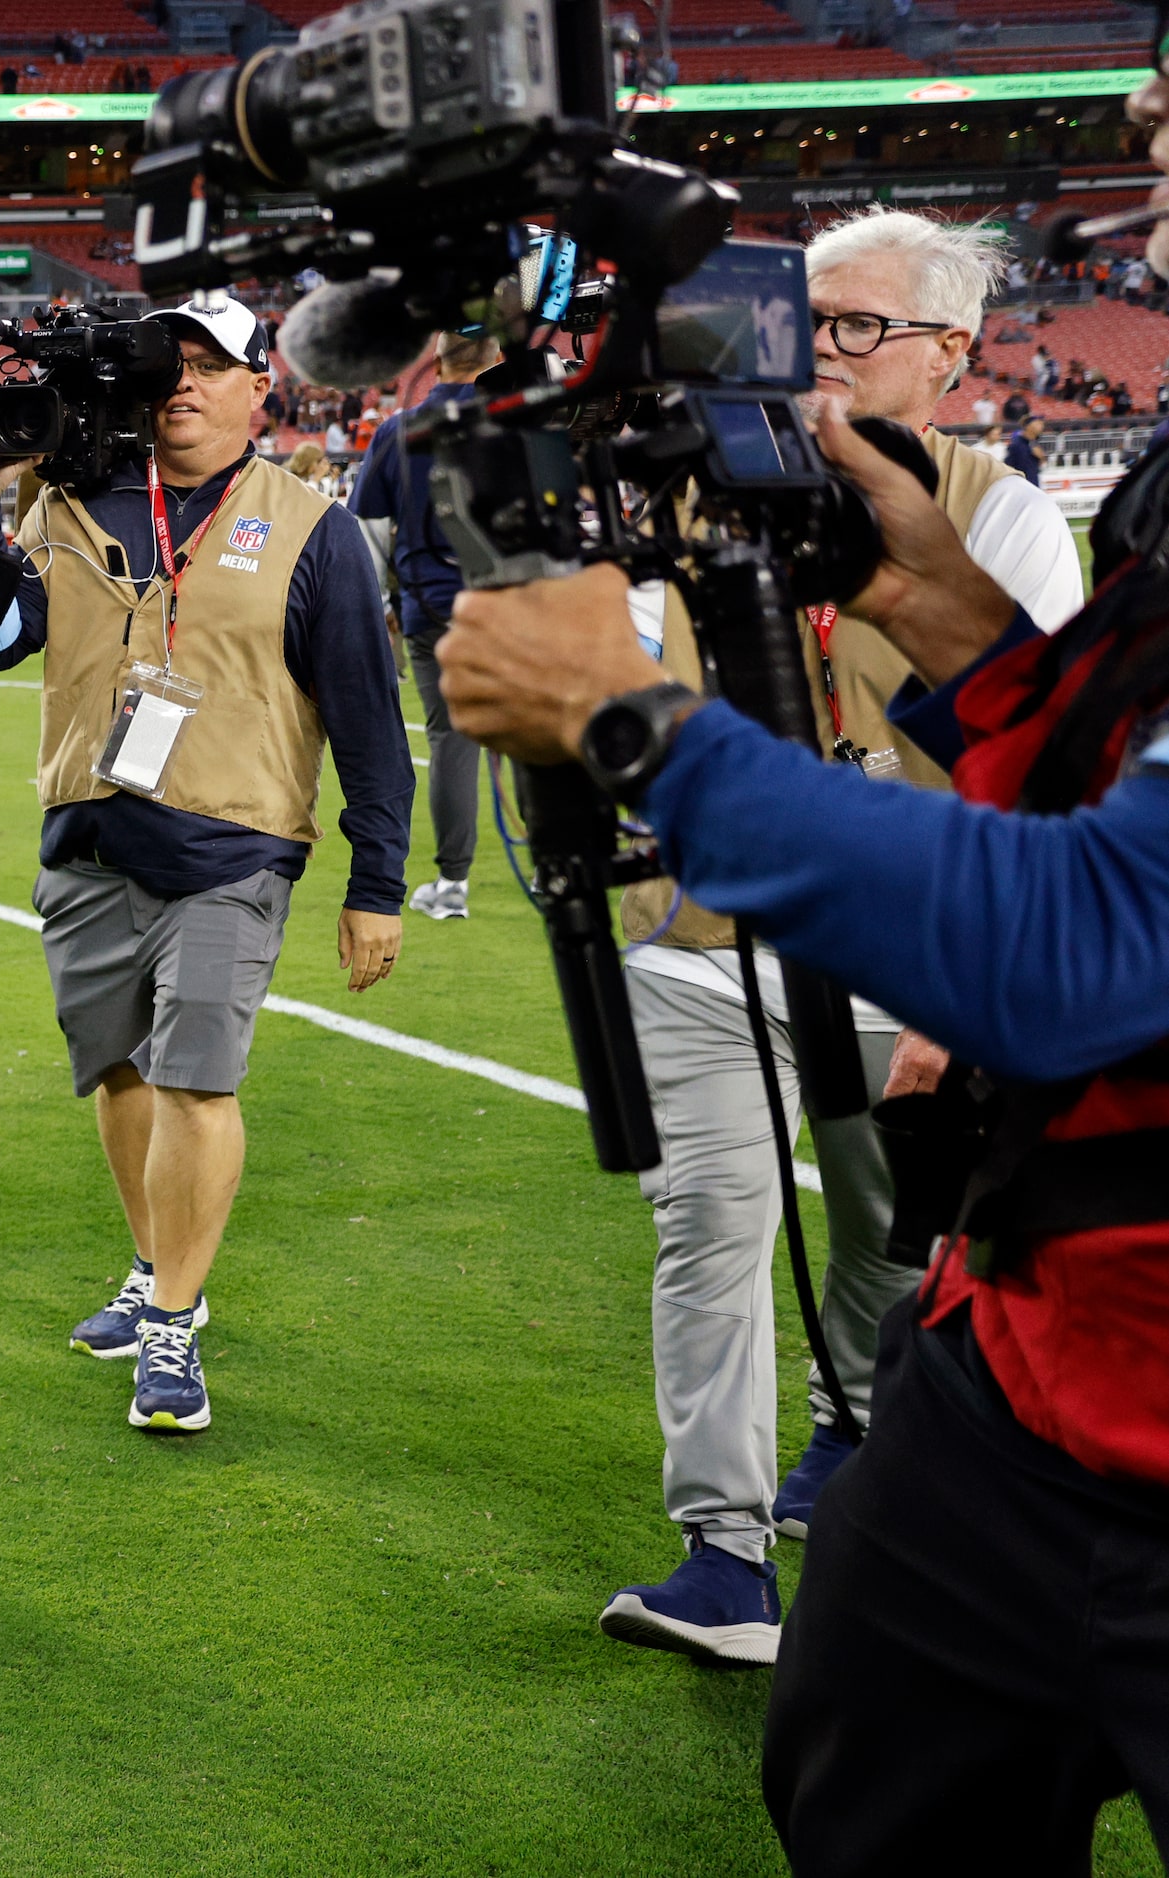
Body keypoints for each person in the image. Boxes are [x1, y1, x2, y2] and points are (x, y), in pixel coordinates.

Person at [437, 351, 1169, 1870]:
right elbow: (1114, 775)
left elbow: (1089, 949)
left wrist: (636, 730)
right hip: (1032, 1372)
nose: (1158, 119)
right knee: (871, 1798)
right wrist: (943, 610)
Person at [585, 207, 1085, 1669]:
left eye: (857, 327)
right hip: (696, 940)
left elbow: (1049, 773)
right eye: (804, 322)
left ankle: (849, 1425)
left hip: (906, 945)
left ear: (949, 351)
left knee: (888, 1229)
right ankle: (721, 1553)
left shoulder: (1000, 515)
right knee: (711, 1233)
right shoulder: (684, 500)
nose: (818, 353)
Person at [0, 290, 410, 1434]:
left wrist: (378, 883)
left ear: (264, 388)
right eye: (171, 364)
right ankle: (160, 1276)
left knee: (199, 1079)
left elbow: (368, 713)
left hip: (230, 845)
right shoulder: (71, 500)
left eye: (214, 366)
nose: (185, 385)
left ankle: (170, 1325)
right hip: (88, 835)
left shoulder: (312, 524)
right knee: (119, 1073)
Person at [353, 329, 496, 920]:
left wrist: (385, 601)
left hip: (432, 606)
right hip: (513, 603)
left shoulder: (397, 428)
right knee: (535, 734)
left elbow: (369, 526)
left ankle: (454, 883)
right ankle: (551, 870)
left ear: (435, 359)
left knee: (451, 741)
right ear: (494, 359)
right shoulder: (516, 419)